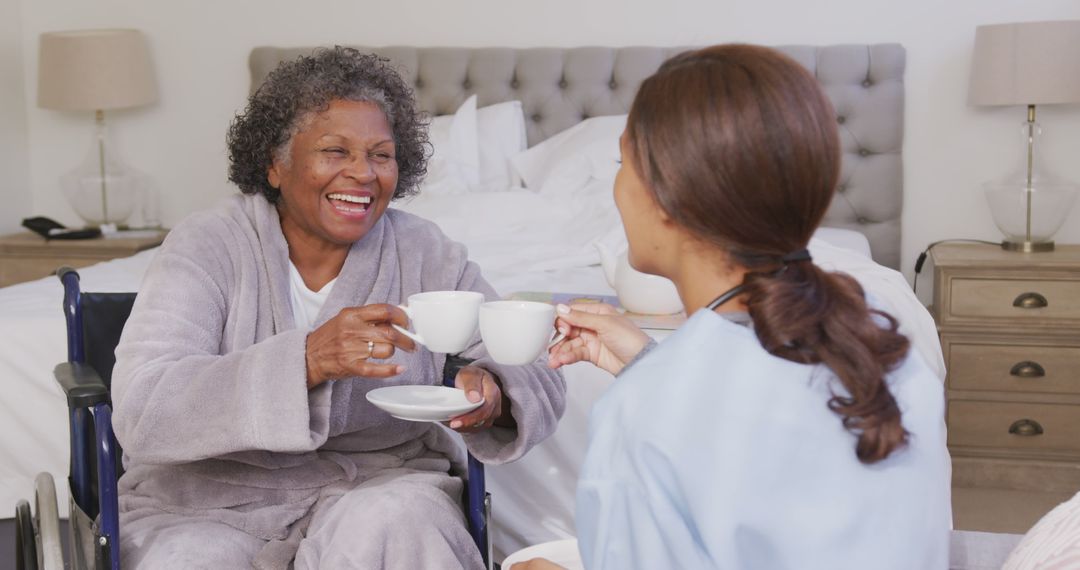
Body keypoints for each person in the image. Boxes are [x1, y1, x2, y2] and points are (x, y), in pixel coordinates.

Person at [110, 46, 565, 569]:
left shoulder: (423, 252)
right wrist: (306, 359)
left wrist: (494, 395)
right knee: (189, 558)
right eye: (335, 151)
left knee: (404, 519)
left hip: (377, 484)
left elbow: (528, 360)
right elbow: (145, 408)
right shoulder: (207, 245)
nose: (363, 174)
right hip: (207, 497)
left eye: (381, 154)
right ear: (275, 164)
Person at [519, 44, 951, 569]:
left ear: (666, 200)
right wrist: (647, 362)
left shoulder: (648, 411)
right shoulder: (891, 352)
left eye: (622, 162)